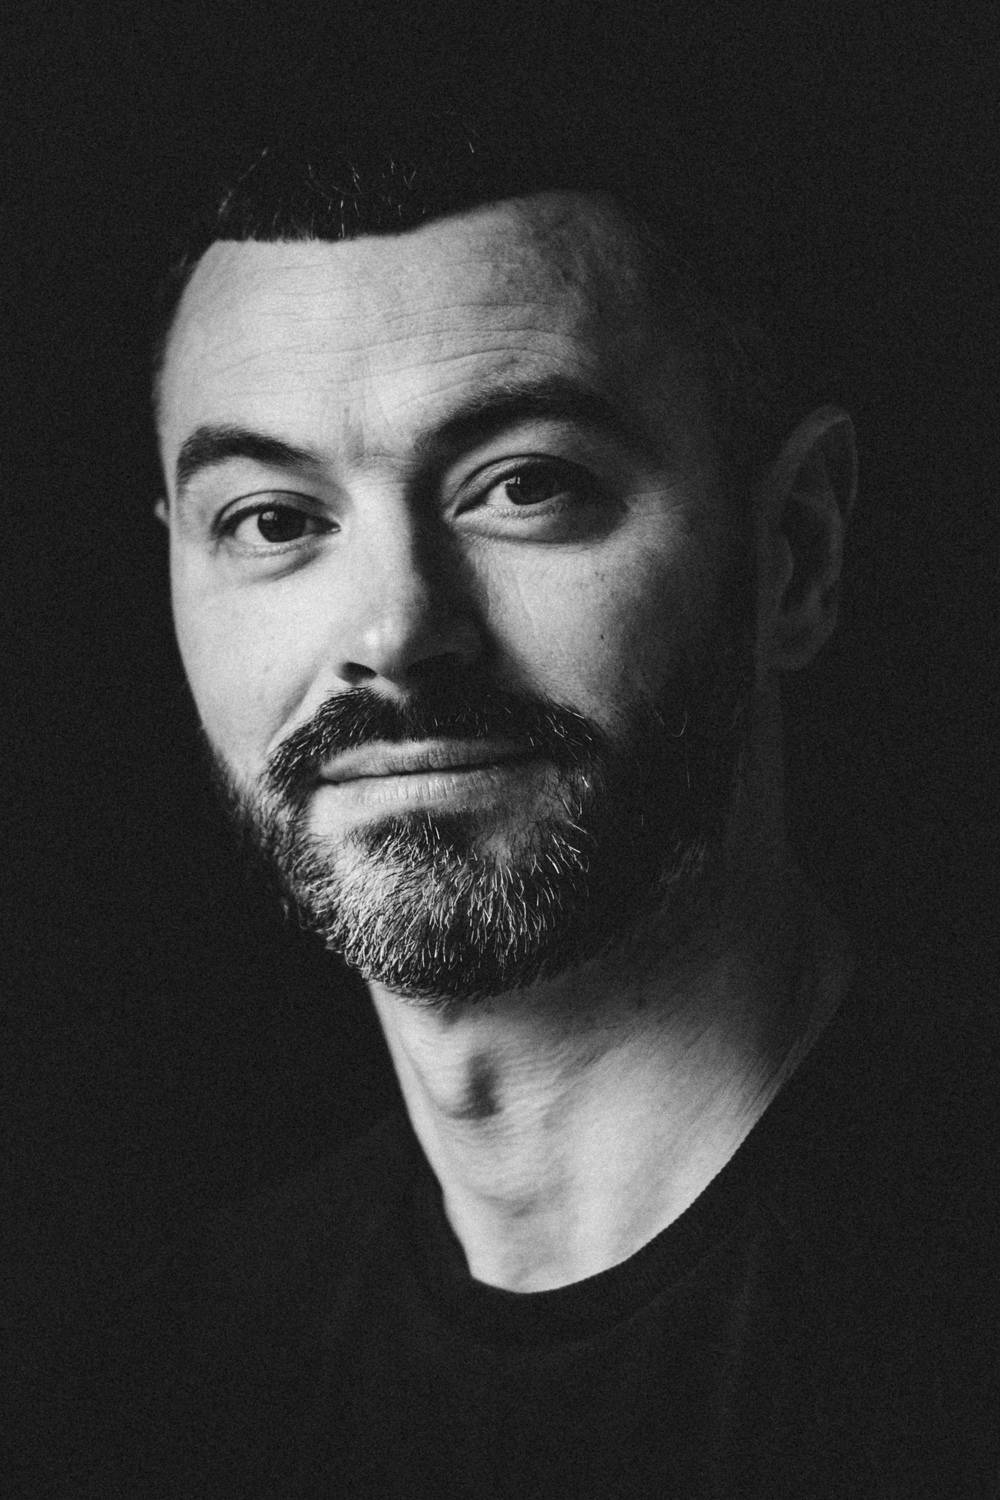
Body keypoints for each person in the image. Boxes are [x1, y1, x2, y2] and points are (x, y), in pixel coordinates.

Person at [66, 114, 995, 1497]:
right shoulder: (169, 1379)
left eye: (523, 486)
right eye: (273, 520)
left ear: (796, 551)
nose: (394, 633)